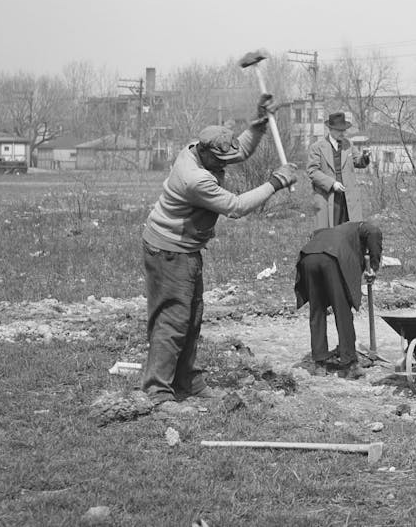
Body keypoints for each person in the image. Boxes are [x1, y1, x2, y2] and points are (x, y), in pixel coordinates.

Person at [140, 96, 297, 411]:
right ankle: (157, 391)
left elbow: (240, 148)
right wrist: (275, 183)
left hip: (186, 248)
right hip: (168, 251)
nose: (227, 164)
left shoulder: (202, 150)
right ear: (206, 152)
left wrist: (259, 121)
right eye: (221, 160)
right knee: (172, 320)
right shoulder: (194, 178)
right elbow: (236, 207)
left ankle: (186, 380)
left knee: (191, 318)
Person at [295, 220, 383, 380]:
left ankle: (320, 363)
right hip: (331, 258)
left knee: (317, 310)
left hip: (308, 257)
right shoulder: (364, 227)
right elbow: (375, 232)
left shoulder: (334, 230)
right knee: (342, 311)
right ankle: (349, 365)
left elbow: (312, 235)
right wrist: (374, 267)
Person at [306, 111, 371, 229]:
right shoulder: (317, 147)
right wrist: (332, 184)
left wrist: (365, 157)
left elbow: (358, 162)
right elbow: (313, 171)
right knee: (328, 233)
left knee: (350, 230)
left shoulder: (348, 144)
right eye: (340, 130)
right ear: (330, 129)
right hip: (327, 196)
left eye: (344, 130)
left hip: (348, 197)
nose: (343, 133)